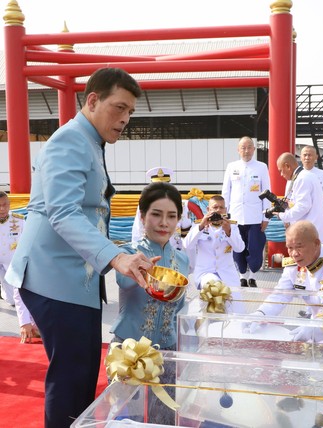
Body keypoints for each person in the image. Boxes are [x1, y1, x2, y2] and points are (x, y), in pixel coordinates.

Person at [5, 67, 158, 428]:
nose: (124, 119)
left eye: (130, 112)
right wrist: (117, 257)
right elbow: (62, 212)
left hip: (73, 278)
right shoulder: (70, 139)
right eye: (118, 108)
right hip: (53, 277)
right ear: (92, 100)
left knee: (82, 373)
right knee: (72, 377)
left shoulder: (89, 140)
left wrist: (125, 251)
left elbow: (92, 216)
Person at [111, 181, 189, 425]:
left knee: (164, 420)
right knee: (126, 419)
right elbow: (123, 284)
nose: (164, 223)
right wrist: (143, 271)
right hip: (129, 352)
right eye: (156, 214)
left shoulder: (183, 261)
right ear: (143, 216)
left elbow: (179, 308)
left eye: (171, 216)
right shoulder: (127, 254)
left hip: (166, 352)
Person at [222, 136, 271, 287]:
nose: (246, 150)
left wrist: (266, 217)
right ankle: (243, 275)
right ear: (238, 150)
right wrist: (225, 215)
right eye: (243, 147)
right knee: (237, 248)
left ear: (254, 149)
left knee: (255, 249)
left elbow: (267, 192)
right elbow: (226, 192)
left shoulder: (261, 167)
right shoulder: (231, 166)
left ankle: (253, 276)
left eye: (249, 147)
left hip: (255, 216)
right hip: (235, 216)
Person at [0, 191, 39, 342]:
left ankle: (4, 291)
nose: (3, 209)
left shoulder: (19, 220)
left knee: (12, 297)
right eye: (0, 206)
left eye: (5, 205)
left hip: (12, 261)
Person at [274, 152, 323, 245]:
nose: (281, 174)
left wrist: (282, 216)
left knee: (315, 259)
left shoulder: (301, 179)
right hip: (316, 231)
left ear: (287, 166)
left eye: (281, 170)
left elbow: (303, 206)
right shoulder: (304, 175)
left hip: (315, 233)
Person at [131, 166, 192, 250]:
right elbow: (138, 231)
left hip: (174, 252)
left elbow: (186, 233)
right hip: (151, 251)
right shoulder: (145, 204)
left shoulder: (181, 204)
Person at [300, 146, 323, 220]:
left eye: (310, 155)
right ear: (300, 157)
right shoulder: (296, 174)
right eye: (305, 155)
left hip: (318, 216)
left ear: (316, 157)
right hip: (300, 216)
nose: (307, 158)